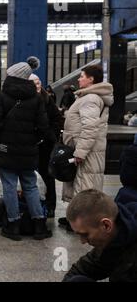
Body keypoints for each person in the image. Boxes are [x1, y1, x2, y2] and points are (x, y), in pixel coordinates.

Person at [0, 56, 52, 241]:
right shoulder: (36, 98)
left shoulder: (2, 95)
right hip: (28, 150)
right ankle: (39, 225)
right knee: (30, 186)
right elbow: (43, 126)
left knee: (9, 186)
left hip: (5, 149)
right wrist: (33, 140)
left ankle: (13, 225)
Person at [59, 65, 114, 230]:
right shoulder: (89, 97)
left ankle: (82, 224)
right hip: (86, 148)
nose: (78, 78)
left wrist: (80, 152)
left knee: (85, 185)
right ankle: (77, 219)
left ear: (91, 79)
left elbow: (90, 128)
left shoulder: (90, 98)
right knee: (82, 183)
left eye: (82, 76)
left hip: (87, 150)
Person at [63, 188, 137, 282]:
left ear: (106, 225)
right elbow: (80, 270)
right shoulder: (113, 238)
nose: (82, 241)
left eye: (85, 234)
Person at [29, 74, 63, 218]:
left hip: (46, 145)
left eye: (38, 83)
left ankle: (50, 206)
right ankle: (33, 204)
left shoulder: (47, 99)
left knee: (47, 175)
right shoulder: (25, 99)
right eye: (33, 83)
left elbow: (57, 119)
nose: (37, 86)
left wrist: (50, 135)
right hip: (30, 144)